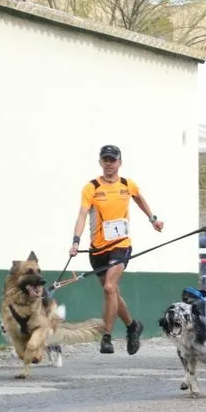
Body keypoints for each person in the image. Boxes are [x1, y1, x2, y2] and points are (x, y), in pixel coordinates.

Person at [69, 145, 163, 355]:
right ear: (100, 162)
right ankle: (132, 326)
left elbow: (139, 198)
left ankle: (107, 337)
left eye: (113, 160)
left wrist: (153, 219)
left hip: (121, 245)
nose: (109, 164)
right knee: (112, 292)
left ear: (120, 162)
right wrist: (75, 242)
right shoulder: (91, 187)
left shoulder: (127, 184)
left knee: (110, 288)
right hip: (98, 249)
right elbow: (82, 215)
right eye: (106, 160)